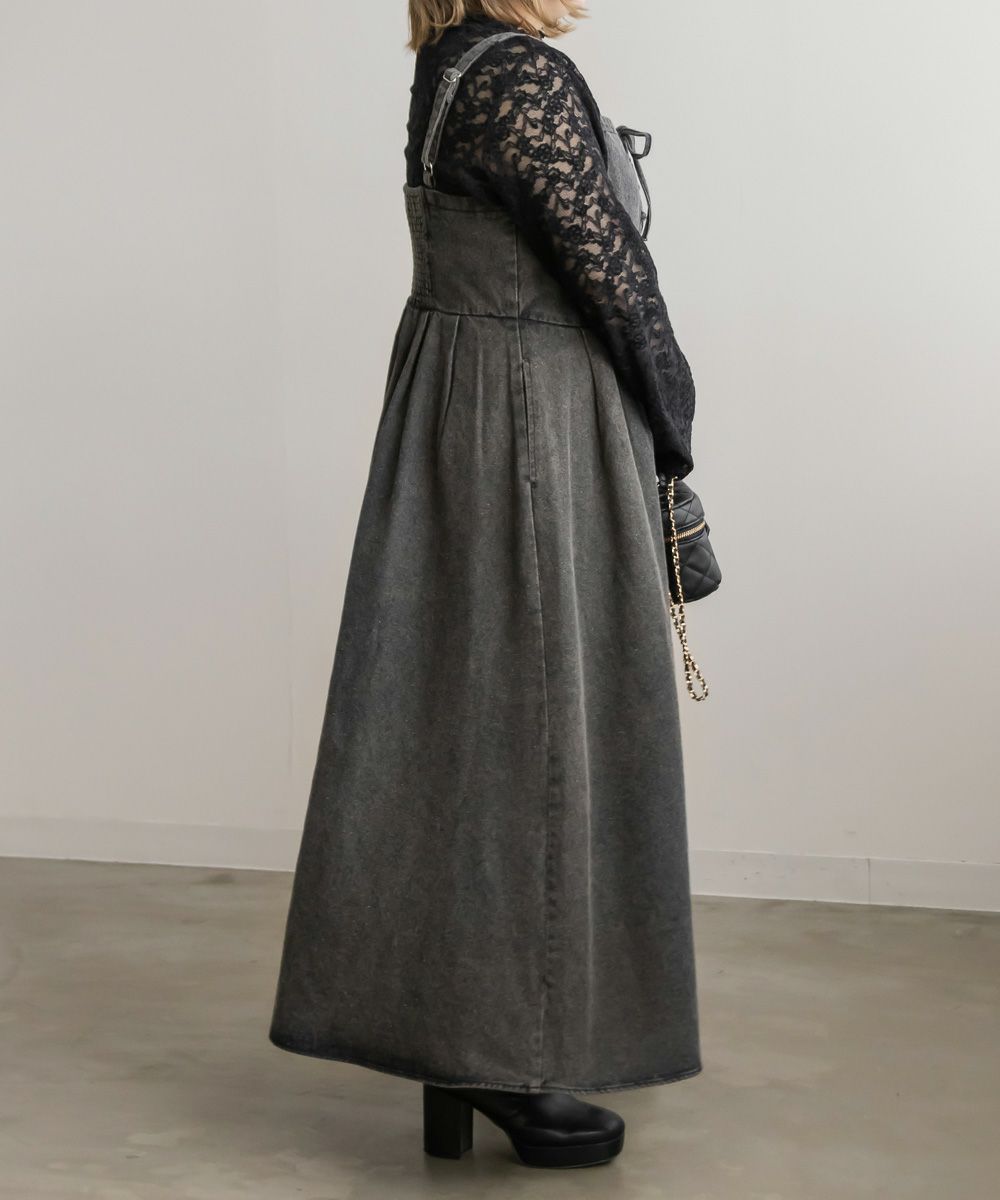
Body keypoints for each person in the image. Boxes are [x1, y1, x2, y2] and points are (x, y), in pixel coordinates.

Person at [269, 0, 702, 1170]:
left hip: (458, 393)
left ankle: (468, 1041)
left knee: (470, 725)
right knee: (535, 733)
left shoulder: (452, 63)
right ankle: (508, 1055)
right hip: (529, 410)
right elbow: (612, 280)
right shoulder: (522, 77)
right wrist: (673, 425)